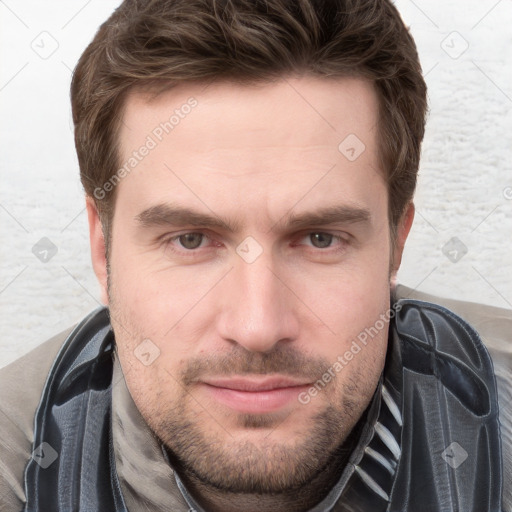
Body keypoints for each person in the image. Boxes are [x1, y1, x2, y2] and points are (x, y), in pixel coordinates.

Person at [1, 0, 510, 510]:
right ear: (102, 249)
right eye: (191, 240)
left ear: (397, 242)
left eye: (319, 239)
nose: (257, 326)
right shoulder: (16, 467)